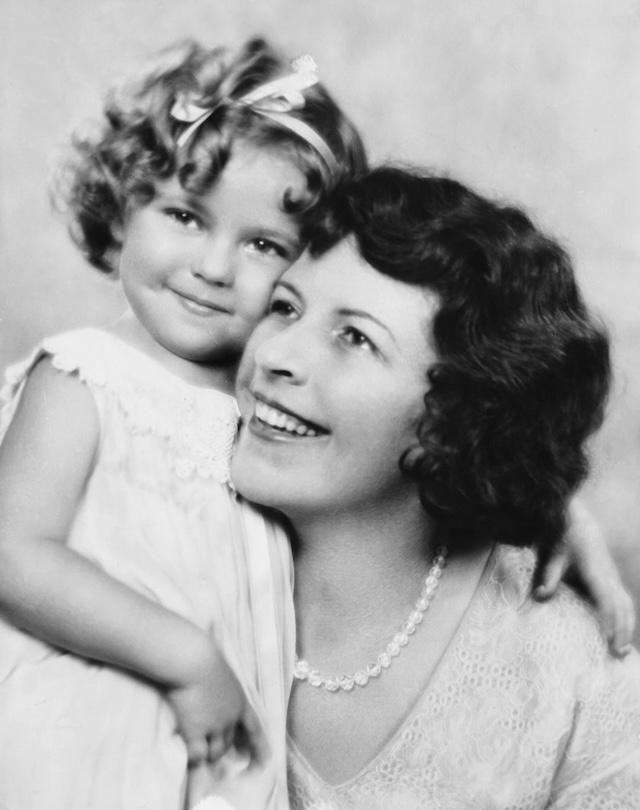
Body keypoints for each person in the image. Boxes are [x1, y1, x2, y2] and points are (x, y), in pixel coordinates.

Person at [0, 37, 365, 810]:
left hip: (222, 757)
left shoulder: (274, 404)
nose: (215, 267)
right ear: (124, 206)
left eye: (265, 243)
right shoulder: (84, 373)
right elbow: (10, 553)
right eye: (186, 216)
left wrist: (547, 514)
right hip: (78, 741)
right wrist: (186, 658)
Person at [229, 166, 640, 808]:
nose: (276, 355)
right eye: (285, 307)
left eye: (355, 338)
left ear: (454, 415)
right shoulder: (146, 523)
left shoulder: (575, 682)